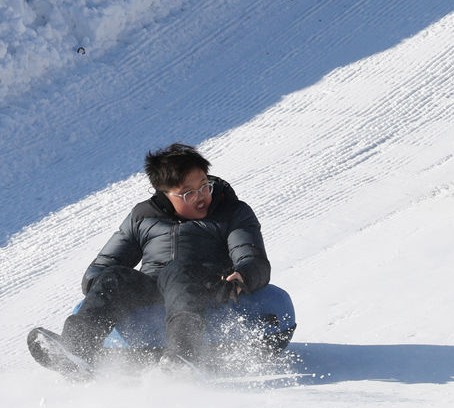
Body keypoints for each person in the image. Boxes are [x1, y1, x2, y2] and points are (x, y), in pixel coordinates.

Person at [28, 143, 274, 373]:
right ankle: (76, 351)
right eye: (188, 193)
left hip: (205, 286)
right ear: (165, 194)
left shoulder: (232, 212)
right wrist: (104, 288)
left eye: (204, 185)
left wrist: (242, 276)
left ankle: (184, 357)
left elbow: (252, 258)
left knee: (178, 271)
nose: (201, 196)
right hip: (153, 288)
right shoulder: (143, 217)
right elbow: (99, 269)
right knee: (114, 277)